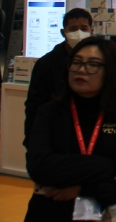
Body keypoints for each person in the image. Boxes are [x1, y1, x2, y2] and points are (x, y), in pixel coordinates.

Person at [20, 38, 116, 222]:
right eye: (76, 62)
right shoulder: (49, 112)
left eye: (92, 64)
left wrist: (84, 188)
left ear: (109, 72)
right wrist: (108, 166)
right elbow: (39, 167)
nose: (81, 70)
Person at [25, 9, 94, 137]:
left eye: (84, 28)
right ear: (63, 33)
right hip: (57, 132)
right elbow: (34, 106)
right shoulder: (46, 64)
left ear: (92, 31)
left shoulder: (100, 62)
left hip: (91, 130)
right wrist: (32, 139)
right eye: (73, 29)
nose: (79, 33)